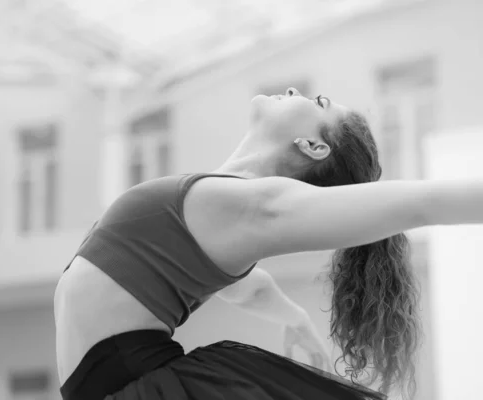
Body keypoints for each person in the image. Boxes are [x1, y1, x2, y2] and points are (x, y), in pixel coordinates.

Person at [54, 88, 483, 400]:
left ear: (314, 146)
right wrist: (295, 319)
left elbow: (425, 204)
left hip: (137, 386)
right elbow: (248, 286)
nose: (299, 91)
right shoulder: (227, 208)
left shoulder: (254, 204)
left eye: (320, 104)